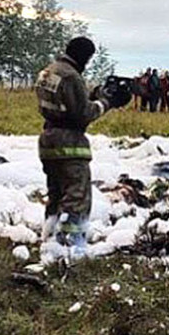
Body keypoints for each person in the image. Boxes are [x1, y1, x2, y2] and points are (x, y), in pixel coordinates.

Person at [35, 36, 128, 257]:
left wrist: (93, 94)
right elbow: (82, 114)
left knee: (56, 193)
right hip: (69, 144)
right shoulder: (71, 77)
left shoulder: (48, 72)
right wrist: (107, 102)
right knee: (76, 195)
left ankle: (49, 237)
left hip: (48, 140)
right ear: (84, 56)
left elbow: (64, 103)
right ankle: (69, 245)